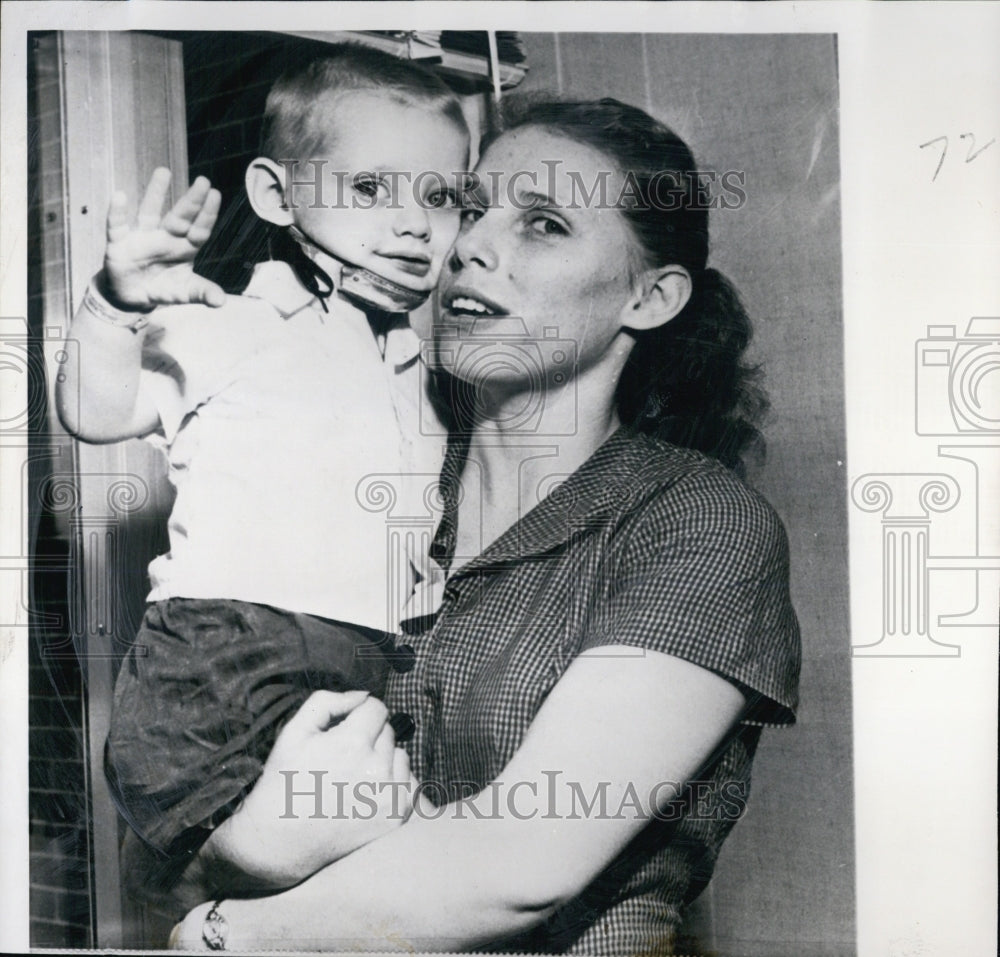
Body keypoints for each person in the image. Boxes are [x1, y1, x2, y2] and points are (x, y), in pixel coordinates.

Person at [171, 96, 801, 954]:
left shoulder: (698, 525)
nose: (468, 245)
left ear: (650, 297)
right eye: (469, 209)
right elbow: (184, 790)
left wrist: (219, 932)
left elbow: (518, 862)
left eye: (542, 224)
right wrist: (240, 847)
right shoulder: (375, 470)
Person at [55, 44, 470, 895]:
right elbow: (95, 413)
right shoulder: (236, 321)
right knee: (227, 861)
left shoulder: (432, 377)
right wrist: (116, 305)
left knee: (369, 881)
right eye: (369, 189)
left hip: (373, 659)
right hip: (227, 660)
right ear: (277, 196)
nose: (414, 225)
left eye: (441, 197)